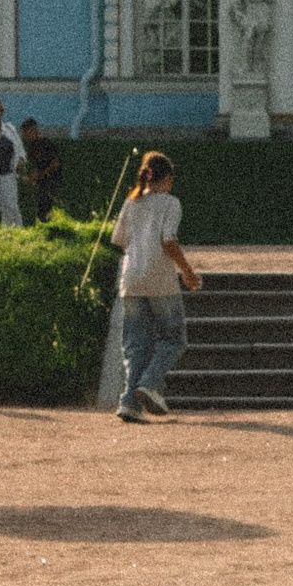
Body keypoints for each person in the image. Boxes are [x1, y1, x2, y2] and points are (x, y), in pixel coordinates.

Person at [113, 150, 201, 424]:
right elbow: (168, 239)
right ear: (167, 179)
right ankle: (150, 384)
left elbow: (120, 240)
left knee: (135, 345)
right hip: (160, 279)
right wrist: (187, 271)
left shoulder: (130, 202)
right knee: (174, 339)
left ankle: (128, 403)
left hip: (131, 279)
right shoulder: (170, 203)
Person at [18, 117, 65, 225]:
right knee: (41, 206)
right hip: (42, 181)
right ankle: (43, 225)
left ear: (34, 130)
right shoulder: (32, 146)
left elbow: (55, 163)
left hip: (53, 180)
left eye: (27, 133)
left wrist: (40, 175)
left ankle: (51, 226)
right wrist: (31, 177)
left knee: (47, 205)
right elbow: (34, 165)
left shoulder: (46, 143)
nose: (25, 136)